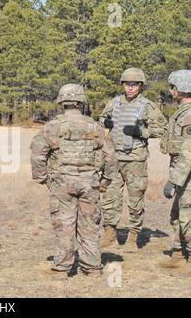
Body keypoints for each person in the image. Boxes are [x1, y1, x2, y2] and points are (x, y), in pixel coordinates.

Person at [31, 84, 118, 277]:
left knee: (64, 225)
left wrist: (43, 178)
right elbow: (111, 157)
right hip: (90, 183)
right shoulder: (95, 127)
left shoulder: (53, 126)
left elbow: (38, 154)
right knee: (90, 225)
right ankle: (92, 267)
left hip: (62, 183)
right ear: (81, 103)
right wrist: (104, 182)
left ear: (62, 103)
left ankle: (62, 267)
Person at [100, 68, 168, 252]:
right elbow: (101, 121)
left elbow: (163, 129)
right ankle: (110, 234)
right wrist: (106, 124)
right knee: (109, 198)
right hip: (114, 158)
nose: (130, 88)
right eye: (127, 84)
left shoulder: (147, 106)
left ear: (140, 86)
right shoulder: (113, 103)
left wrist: (142, 132)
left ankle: (132, 237)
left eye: (134, 84)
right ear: (122, 85)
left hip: (135, 159)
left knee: (135, 198)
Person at [158, 70, 191, 272]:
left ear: (180, 89)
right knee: (177, 215)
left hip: (187, 175)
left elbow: (189, 151)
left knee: (188, 218)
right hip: (181, 172)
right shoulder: (182, 111)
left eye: (173, 87)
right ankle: (179, 254)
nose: (170, 91)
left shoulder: (189, 115)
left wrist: (175, 180)